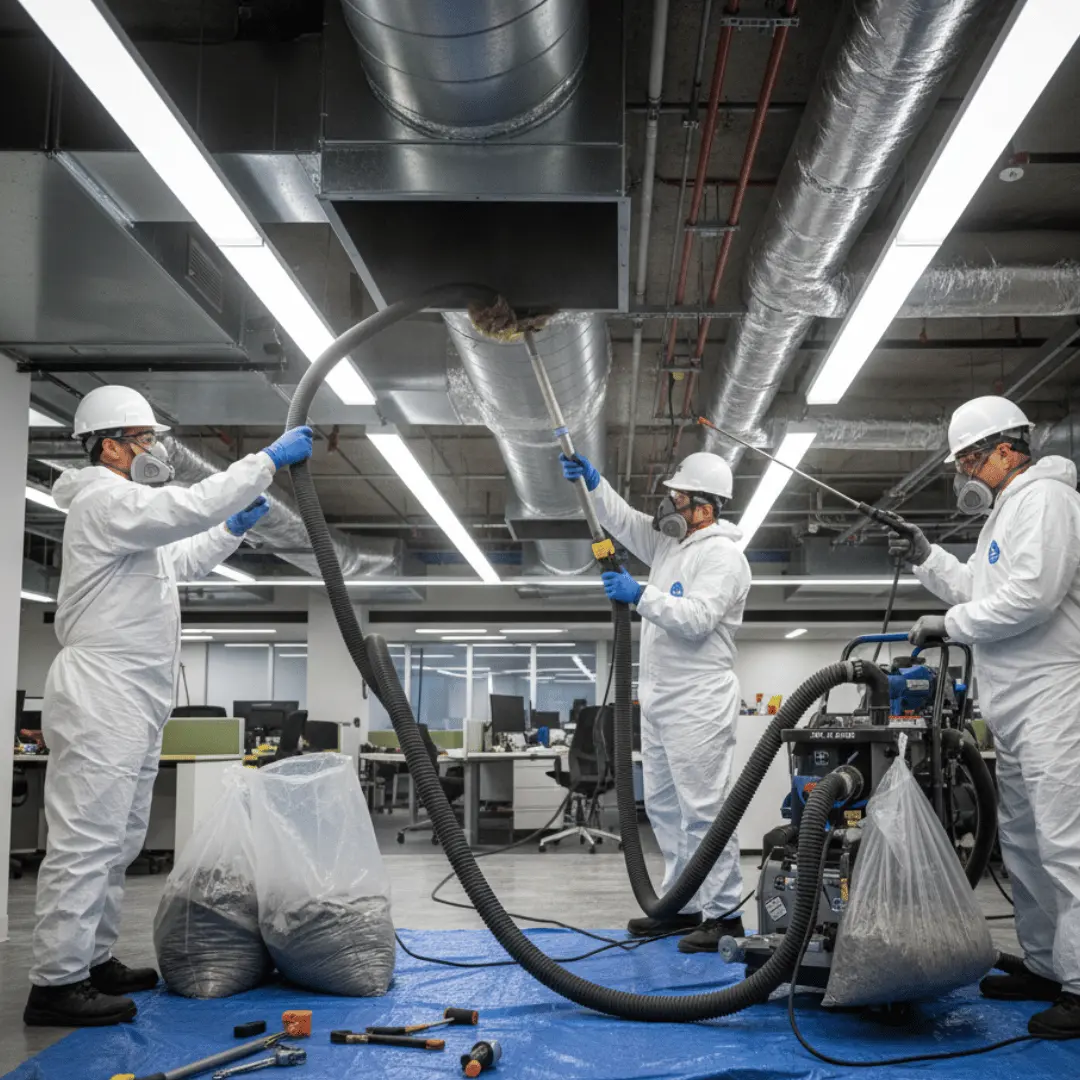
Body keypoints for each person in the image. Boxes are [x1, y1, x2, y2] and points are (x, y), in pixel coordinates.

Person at [25, 385, 315, 1028]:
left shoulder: (127, 513)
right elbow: (187, 509)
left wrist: (231, 533)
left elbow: (178, 556)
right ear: (110, 447)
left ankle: (92, 961)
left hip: (134, 692)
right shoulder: (105, 500)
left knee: (119, 837)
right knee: (86, 840)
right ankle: (55, 983)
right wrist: (266, 461)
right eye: (144, 440)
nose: (155, 450)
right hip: (104, 688)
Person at [889, 395, 1080, 1039]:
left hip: (1057, 696)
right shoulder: (1007, 512)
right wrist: (926, 558)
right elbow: (984, 589)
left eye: (971, 458)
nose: (966, 473)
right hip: (1016, 700)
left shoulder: (1047, 500)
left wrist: (946, 624)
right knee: (1023, 842)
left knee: (1066, 844)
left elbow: (1033, 595)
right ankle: (1046, 965)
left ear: (1007, 449)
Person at [560, 450, 751, 954]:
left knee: (703, 809)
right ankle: (680, 905)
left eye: (679, 498)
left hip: (699, 697)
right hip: (660, 696)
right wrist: (595, 485)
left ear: (705, 509)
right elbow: (624, 521)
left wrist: (639, 595)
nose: (669, 504)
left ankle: (724, 914)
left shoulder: (724, 556)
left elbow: (697, 618)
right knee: (665, 807)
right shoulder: (671, 544)